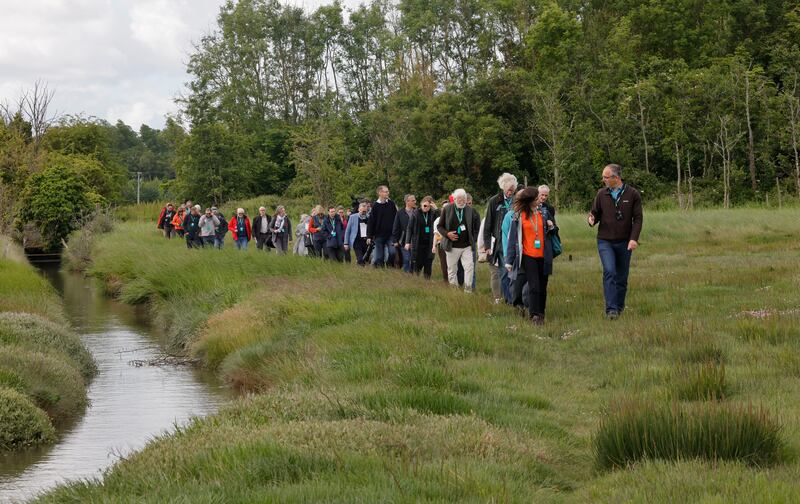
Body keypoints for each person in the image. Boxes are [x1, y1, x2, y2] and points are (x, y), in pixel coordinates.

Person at [588, 163, 644, 319]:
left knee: (621, 276)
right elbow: (595, 213)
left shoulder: (633, 194)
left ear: (616, 178)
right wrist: (591, 219)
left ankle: (619, 307)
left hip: (625, 241)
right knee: (610, 271)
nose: (603, 180)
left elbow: (638, 219)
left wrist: (634, 239)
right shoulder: (601, 194)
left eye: (606, 177)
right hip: (605, 241)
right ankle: (611, 309)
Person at [505, 187, 557, 325]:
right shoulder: (518, 215)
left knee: (542, 286)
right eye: (536, 198)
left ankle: (541, 312)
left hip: (544, 255)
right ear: (530, 200)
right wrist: (509, 261)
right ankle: (534, 315)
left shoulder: (544, 212)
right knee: (534, 286)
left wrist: (551, 227)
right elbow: (513, 239)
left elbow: (554, 231)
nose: (539, 200)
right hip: (528, 255)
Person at [437, 188, 481, 293]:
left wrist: (473, 241)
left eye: (464, 199)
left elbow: (477, 229)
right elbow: (440, 226)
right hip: (452, 246)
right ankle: (455, 291)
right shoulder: (447, 209)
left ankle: (468, 290)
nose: (461, 201)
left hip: (467, 246)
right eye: (459, 199)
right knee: (452, 270)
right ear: (454, 199)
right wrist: (447, 234)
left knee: (469, 268)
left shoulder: (471, 211)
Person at [483, 173, 518, 304]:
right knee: (504, 272)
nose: (510, 192)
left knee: (515, 272)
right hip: (501, 242)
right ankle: (509, 300)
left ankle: (514, 297)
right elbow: (488, 224)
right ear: (503, 187)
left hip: (516, 241)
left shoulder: (517, 200)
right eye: (508, 190)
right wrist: (487, 245)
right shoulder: (494, 201)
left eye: (512, 190)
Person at [405, 196, 438, 279]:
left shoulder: (433, 213)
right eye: (425, 205)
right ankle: (416, 281)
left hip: (430, 244)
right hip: (418, 243)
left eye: (428, 206)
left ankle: (427, 282)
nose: (426, 207)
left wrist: (436, 209)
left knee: (428, 263)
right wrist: (407, 242)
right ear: (421, 204)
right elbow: (409, 228)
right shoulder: (416, 214)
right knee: (417, 264)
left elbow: (441, 219)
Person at [366, 186, 397, 268]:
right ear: (380, 193)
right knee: (379, 257)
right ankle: (380, 271)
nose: (388, 193)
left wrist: (396, 233)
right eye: (386, 191)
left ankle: (390, 267)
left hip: (390, 235)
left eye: (388, 191)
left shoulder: (391, 204)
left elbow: (396, 220)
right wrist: (369, 236)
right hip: (379, 236)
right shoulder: (375, 206)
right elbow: (371, 222)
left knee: (392, 252)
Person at [392, 194, 417, 273]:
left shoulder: (417, 212)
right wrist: (395, 240)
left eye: (414, 200)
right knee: (406, 258)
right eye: (413, 200)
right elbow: (396, 227)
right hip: (404, 240)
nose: (415, 202)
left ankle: (413, 274)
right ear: (407, 202)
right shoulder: (400, 213)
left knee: (414, 259)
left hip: (416, 239)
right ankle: (407, 275)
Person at [345, 202, 370, 266]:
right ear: (359, 209)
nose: (363, 212)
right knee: (360, 258)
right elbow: (348, 230)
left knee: (365, 258)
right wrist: (346, 243)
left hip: (366, 241)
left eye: (365, 211)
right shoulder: (353, 217)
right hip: (356, 241)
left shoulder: (369, 217)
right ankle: (360, 266)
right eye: (362, 211)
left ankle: (361, 267)